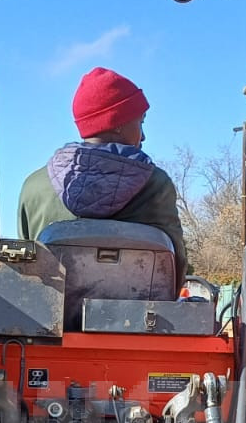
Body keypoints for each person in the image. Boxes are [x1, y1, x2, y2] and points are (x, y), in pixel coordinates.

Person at [18, 67, 188, 279]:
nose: (143, 136)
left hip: (50, 301)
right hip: (139, 301)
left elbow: (26, 270)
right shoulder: (156, 184)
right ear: (118, 123)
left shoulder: (34, 186)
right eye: (140, 122)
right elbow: (175, 269)